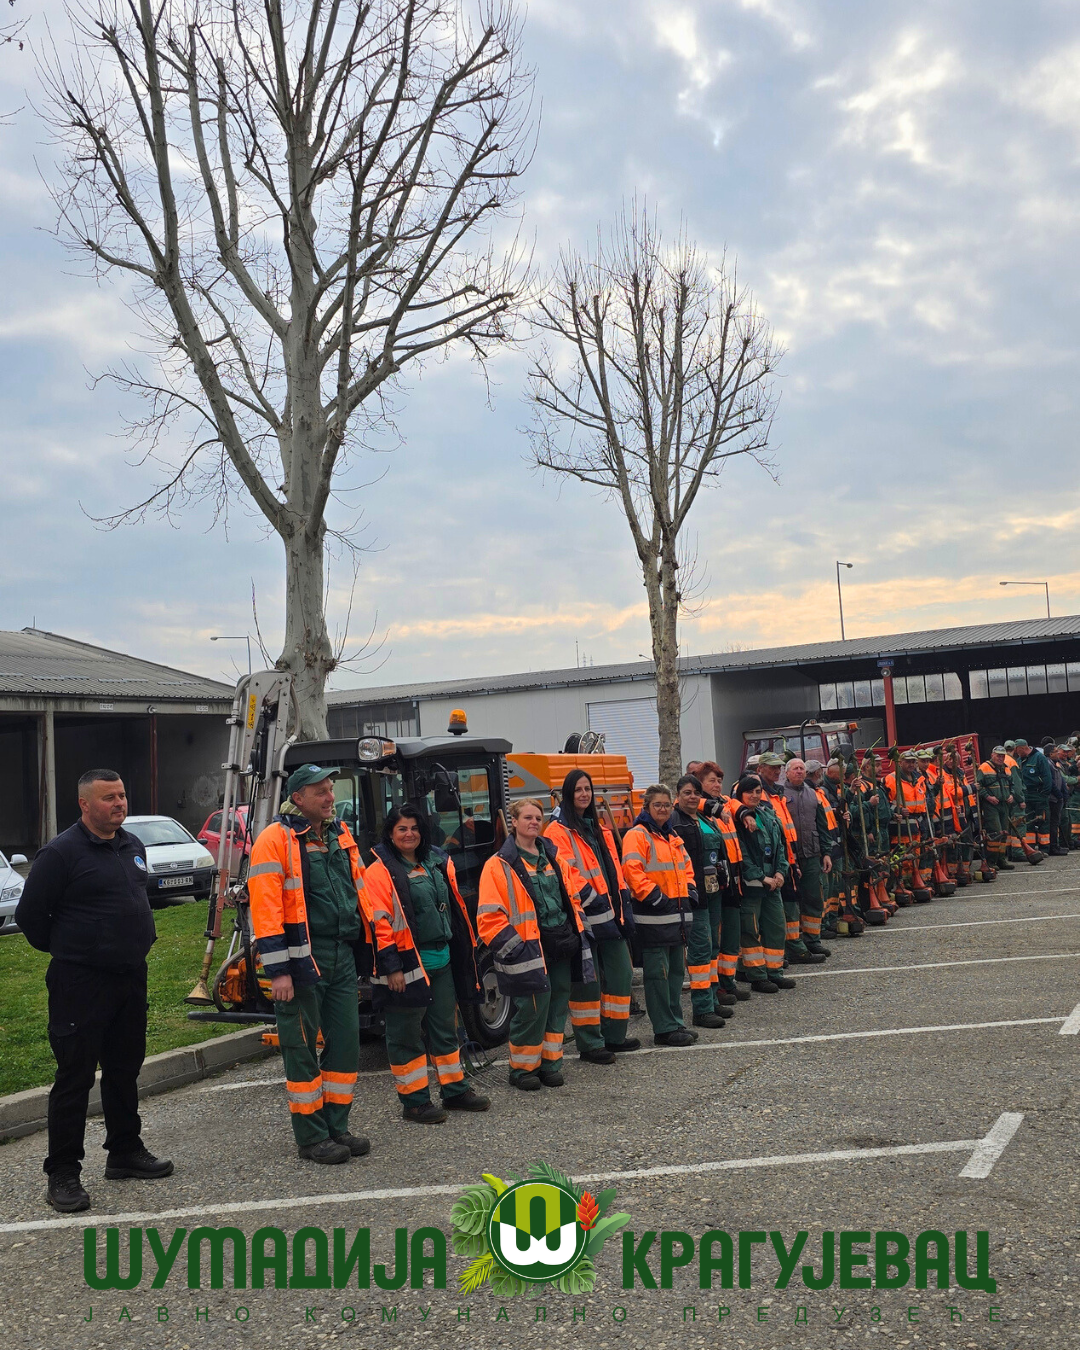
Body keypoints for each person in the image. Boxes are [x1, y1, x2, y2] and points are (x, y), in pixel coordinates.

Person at [15, 768, 174, 1213]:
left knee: (124, 1069)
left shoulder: (132, 845)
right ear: (85, 804)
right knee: (75, 1076)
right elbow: (30, 917)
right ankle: (63, 1173)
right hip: (80, 983)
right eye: (109, 797)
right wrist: (74, 950)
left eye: (121, 795)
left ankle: (124, 1151)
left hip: (130, 977)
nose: (119, 803)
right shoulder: (60, 853)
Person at [248, 765, 372, 1165]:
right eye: (321, 791)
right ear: (298, 798)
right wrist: (278, 971)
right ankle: (312, 1136)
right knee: (300, 1047)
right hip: (303, 958)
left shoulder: (339, 834)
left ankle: (337, 1126)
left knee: (346, 1044)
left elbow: (360, 892)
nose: (330, 797)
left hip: (341, 954)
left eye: (331, 789)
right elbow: (265, 909)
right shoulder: (275, 839)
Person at [364, 805, 489, 1122]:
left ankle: (455, 1090)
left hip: (441, 958)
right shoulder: (379, 872)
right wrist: (392, 967)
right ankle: (415, 1102)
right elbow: (379, 924)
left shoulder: (434, 862)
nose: (409, 834)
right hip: (408, 964)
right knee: (405, 1035)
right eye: (402, 829)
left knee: (445, 1030)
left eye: (414, 828)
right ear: (390, 833)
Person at [477, 799, 606, 1090]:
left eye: (538, 817)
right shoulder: (498, 865)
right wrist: (515, 949)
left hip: (560, 943)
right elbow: (489, 917)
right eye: (527, 817)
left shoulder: (553, 857)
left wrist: (577, 932)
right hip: (527, 950)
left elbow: (572, 896)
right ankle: (522, 1070)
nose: (534, 822)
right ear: (514, 822)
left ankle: (550, 1065)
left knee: (557, 1005)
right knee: (531, 1009)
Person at [545, 770, 640, 1053]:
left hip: (609, 913)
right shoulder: (556, 831)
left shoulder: (599, 828)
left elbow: (612, 868)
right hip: (583, 916)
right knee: (588, 982)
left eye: (587, 789)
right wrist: (592, 898)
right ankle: (590, 1043)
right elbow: (566, 872)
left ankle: (614, 1036)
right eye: (578, 790)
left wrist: (622, 900)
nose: (584, 794)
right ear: (568, 793)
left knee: (622, 974)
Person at [621, 785, 698, 1045]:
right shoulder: (637, 835)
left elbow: (686, 867)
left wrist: (691, 890)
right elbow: (632, 871)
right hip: (654, 917)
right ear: (647, 807)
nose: (663, 809)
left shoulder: (671, 835)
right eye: (657, 805)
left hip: (676, 917)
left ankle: (675, 1023)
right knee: (658, 976)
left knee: (675, 975)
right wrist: (655, 897)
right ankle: (664, 1029)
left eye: (666, 804)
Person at [671, 775, 734, 1029]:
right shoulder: (675, 822)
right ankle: (702, 1009)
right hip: (694, 895)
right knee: (699, 950)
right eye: (687, 792)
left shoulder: (704, 818)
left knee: (712, 947)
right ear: (678, 795)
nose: (692, 797)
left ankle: (712, 998)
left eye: (696, 793)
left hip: (713, 891)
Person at [729, 774, 794, 993]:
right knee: (751, 929)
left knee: (776, 927)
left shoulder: (767, 814)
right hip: (752, 884)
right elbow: (741, 853)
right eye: (750, 792)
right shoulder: (737, 820)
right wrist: (760, 876)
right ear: (740, 795)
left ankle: (775, 972)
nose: (755, 795)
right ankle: (757, 975)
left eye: (758, 791)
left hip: (773, 881)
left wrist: (781, 871)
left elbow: (780, 846)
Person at [756, 752, 810, 965]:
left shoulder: (776, 793)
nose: (776, 771)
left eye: (778, 767)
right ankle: (788, 950)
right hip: (771, 859)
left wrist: (792, 861)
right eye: (772, 767)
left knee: (790, 903)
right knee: (779, 908)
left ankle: (791, 947)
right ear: (760, 769)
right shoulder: (760, 793)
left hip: (785, 856)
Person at [782, 758, 835, 962]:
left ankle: (812, 940)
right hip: (791, 857)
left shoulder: (813, 794)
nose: (799, 772)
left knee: (813, 899)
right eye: (795, 768)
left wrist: (826, 853)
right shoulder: (780, 795)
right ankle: (794, 944)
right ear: (787, 773)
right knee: (792, 904)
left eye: (802, 769)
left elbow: (822, 826)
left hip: (812, 855)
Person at [977, 747, 1017, 872]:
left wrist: (1012, 795)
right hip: (991, 806)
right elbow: (978, 786)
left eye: (1002, 756)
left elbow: (1012, 785)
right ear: (992, 755)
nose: (1001, 758)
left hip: (1004, 804)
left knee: (1004, 832)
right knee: (995, 832)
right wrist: (988, 797)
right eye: (998, 755)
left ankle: (1001, 859)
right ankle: (991, 861)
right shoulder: (984, 768)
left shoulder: (1006, 768)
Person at [1014, 739, 1056, 856]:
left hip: (1038, 794)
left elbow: (1047, 778)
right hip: (1026, 795)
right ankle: (1031, 849)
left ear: (1022, 748)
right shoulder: (1019, 760)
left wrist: (1044, 795)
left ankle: (1044, 849)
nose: (1016, 752)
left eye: (1017, 750)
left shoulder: (1039, 758)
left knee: (1043, 821)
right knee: (1028, 823)